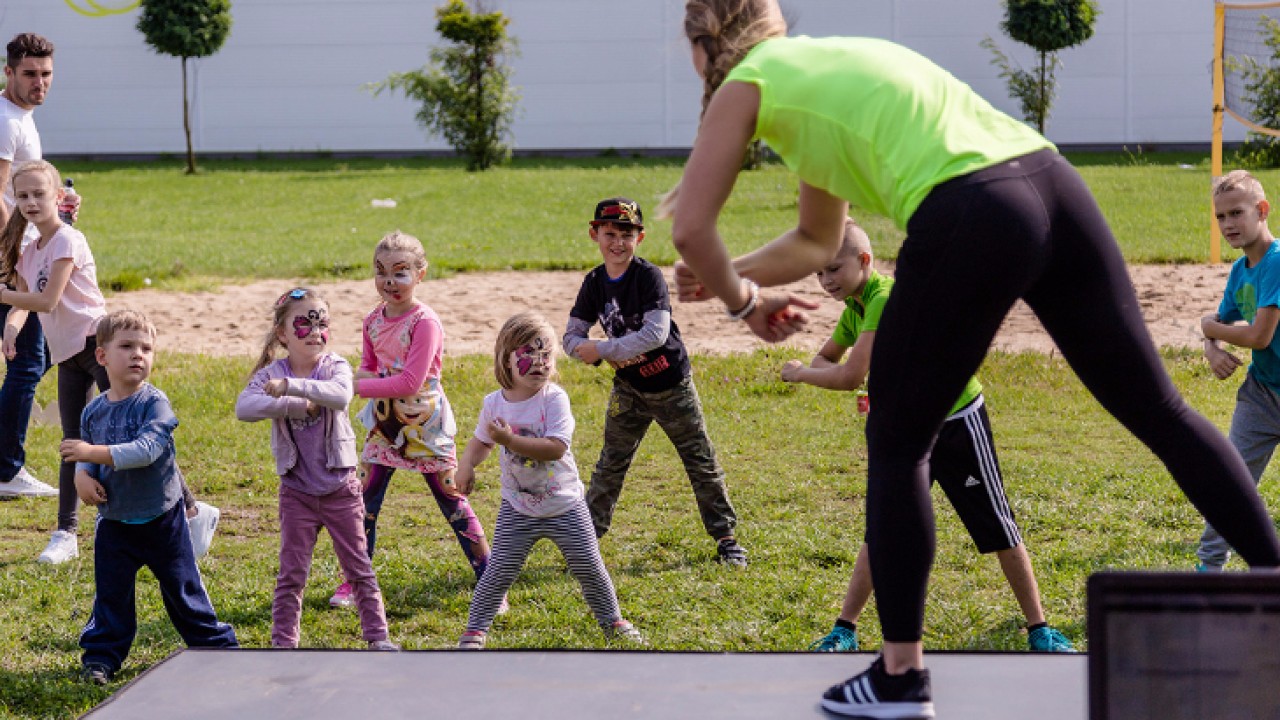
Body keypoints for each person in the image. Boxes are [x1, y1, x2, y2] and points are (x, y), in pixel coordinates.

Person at [662, 2, 1280, 717]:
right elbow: (811, 239)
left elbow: (688, 227)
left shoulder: (747, 82)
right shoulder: (822, 69)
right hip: (1051, 184)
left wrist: (740, 302)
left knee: (897, 440)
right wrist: (734, 275)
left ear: (703, 46)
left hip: (973, 208)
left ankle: (898, 680)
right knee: (1160, 410)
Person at [787, 219, 1072, 654]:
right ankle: (844, 629)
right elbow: (829, 355)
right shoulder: (856, 310)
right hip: (904, 429)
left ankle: (1040, 630)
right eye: (819, 273)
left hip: (956, 421)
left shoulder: (882, 298)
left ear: (864, 261)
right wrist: (847, 375)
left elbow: (845, 373)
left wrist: (804, 375)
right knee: (881, 530)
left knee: (999, 526)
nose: (826, 281)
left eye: (834, 269)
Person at [563, 197, 747, 567]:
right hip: (628, 389)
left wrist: (603, 348)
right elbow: (570, 336)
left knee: (699, 459)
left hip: (671, 384)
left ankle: (726, 538)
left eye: (627, 235)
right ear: (594, 234)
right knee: (610, 462)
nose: (618, 242)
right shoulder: (594, 283)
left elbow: (656, 335)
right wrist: (586, 348)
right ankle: (587, 542)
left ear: (640, 237)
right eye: (609, 233)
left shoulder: (647, 277)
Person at [61, 310, 238, 685]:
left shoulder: (155, 404)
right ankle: (101, 659)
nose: (138, 354)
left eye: (147, 348)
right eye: (127, 346)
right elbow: (85, 456)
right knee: (111, 599)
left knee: (184, 592)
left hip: (163, 520)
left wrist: (88, 455)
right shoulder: (94, 410)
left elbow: (145, 450)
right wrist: (82, 477)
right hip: (115, 523)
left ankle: (217, 649)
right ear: (102, 356)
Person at [455, 312, 643, 649]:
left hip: (564, 504)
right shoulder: (494, 403)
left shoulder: (554, 399)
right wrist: (467, 464)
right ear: (506, 358)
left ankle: (613, 620)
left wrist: (510, 441)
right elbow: (482, 440)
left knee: (588, 566)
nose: (540, 363)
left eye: (547, 355)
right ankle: (475, 630)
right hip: (518, 507)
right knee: (497, 572)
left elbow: (555, 449)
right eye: (529, 354)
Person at [331, 230, 491, 609]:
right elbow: (370, 366)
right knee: (363, 500)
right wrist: (362, 376)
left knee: (451, 499)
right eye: (381, 271)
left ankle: (490, 577)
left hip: (425, 425)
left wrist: (355, 387)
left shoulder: (425, 323)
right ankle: (355, 581)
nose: (390, 281)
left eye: (401, 272)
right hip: (385, 424)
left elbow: (410, 381)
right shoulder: (372, 320)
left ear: (421, 275)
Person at [236, 288, 399, 651]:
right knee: (291, 574)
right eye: (303, 323)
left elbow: (341, 395)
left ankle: (378, 638)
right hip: (297, 492)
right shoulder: (271, 372)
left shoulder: (335, 366)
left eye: (321, 323)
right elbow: (244, 407)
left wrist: (289, 388)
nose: (314, 331)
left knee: (358, 568)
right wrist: (295, 405)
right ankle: (284, 645)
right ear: (282, 333)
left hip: (340, 488)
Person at [1, 159, 104, 564]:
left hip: (98, 345)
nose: (29, 202)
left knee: (129, 423)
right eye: (22, 196)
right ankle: (66, 534)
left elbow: (47, 300)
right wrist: (11, 326)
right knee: (72, 444)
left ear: (58, 198)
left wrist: (5, 298)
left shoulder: (66, 240)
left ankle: (186, 509)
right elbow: (26, 304)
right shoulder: (29, 252)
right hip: (67, 355)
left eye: (38, 194)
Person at [1198, 170, 1280, 572]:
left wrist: (1210, 329)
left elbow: (1260, 337)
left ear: (1262, 210)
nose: (1228, 224)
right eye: (1220, 217)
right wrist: (1211, 347)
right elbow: (1217, 319)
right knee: (1231, 483)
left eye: (1237, 213)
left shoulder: (1277, 262)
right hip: (1262, 395)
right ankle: (1208, 570)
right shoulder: (1239, 270)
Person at [0, 33, 61, 500]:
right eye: (29, 74)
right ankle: (7, 470)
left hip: (19, 245)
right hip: (10, 253)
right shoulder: (5, 120)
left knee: (26, 357)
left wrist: (58, 202)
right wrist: (16, 251)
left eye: (45, 74)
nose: (39, 82)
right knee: (28, 357)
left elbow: (23, 187)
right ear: (9, 73)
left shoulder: (22, 118)